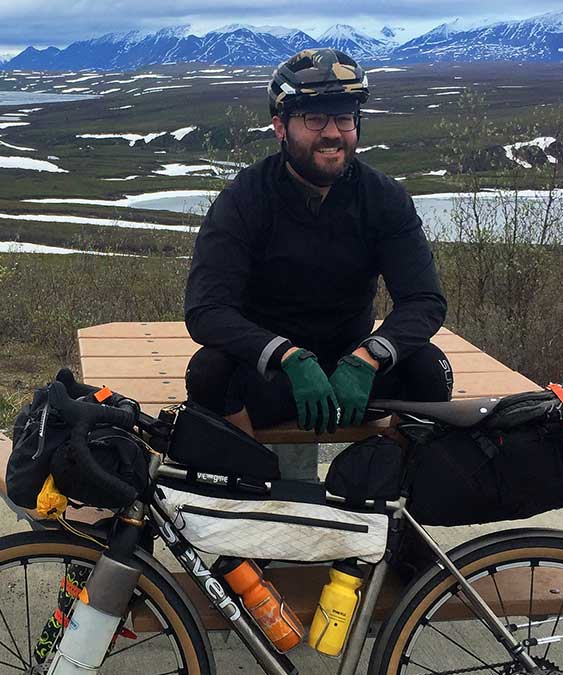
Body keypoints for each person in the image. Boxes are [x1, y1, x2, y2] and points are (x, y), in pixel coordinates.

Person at [184, 48, 453, 480]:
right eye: (314, 119)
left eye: (344, 118)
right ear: (280, 127)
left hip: (354, 366)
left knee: (430, 370)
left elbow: (424, 301)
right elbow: (206, 309)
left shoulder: (383, 198)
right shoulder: (245, 199)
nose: (332, 133)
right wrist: (286, 355)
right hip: (274, 373)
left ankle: (384, 491)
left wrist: (371, 355)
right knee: (208, 373)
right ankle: (255, 490)